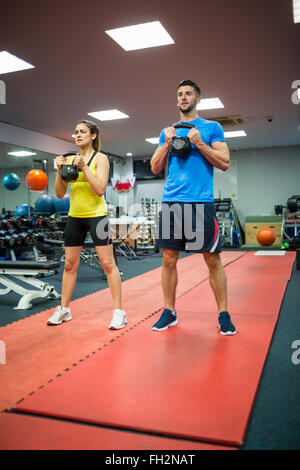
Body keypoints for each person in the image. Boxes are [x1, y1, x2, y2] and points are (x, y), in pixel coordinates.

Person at [150, 80, 236, 335]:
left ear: (198, 99)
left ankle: (223, 314)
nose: (183, 97)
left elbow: (225, 162)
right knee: (168, 259)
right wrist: (167, 142)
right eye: (179, 94)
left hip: (201, 202)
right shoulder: (168, 131)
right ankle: (169, 311)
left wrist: (199, 143)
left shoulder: (212, 127)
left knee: (212, 259)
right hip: (171, 202)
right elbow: (155, 167)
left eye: (188, 93)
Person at [47, 120, 127, 329]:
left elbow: (100, 189)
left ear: (93, 136)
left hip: (97, 216)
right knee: (70, 265)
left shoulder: (101, 159)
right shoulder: (69, 160)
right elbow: (59, 193)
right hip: (75, 217)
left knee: (108, 264)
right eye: (76, 132)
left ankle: (119, 312)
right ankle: (64, 309)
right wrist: (58, 169)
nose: (78, 135)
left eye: (82, 131)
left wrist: (84, 167)